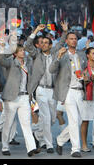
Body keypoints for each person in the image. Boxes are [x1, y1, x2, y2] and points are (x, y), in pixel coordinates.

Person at [25, 22, 68, 153]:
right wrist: (36, 30)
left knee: (52, 118)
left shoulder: (55, 53)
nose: (42, 44)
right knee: (46, 117)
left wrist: (65, 32)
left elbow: (61, 43)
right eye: (41, 42)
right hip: (40, 89)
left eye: (45, 43)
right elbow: (27, 45)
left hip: (53, 89)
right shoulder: (36, 54)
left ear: (50, 45)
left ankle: (37, 134)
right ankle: (49, 145)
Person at [50, 32, 88, 157]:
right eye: (71, 39)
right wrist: (58, 57)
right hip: (68, 91)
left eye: (75, 39)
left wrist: (86, 76)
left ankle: (60, 139)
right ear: (66, 41)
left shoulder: (81, 55)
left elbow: (85, 70)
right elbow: (52, 69)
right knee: (73, 120)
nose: (73, 41)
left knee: (80, 120)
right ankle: (75, 149)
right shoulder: (62, 54)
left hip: (80, 89)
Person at [0, 45, 40, 157]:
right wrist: (2, 49)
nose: (23, 52)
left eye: (23, 50)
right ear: (15, 53)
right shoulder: (11, 62)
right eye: (20, 50)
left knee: (26, 124)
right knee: (8, 123)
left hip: (25, 96)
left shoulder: (27, 64)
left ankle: (31, 148)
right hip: (11, 98)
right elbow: (1, 60)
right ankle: (5, 146)